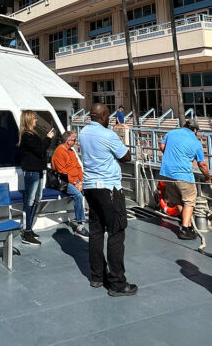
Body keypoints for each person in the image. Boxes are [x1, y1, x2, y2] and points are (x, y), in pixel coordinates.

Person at [79, 103, 136, 297]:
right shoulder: (108, 135)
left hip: (90, 187)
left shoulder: (83, 132)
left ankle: (97, 276)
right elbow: (126, 156)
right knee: (116, 232)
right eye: (108, 117)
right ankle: (117, 283)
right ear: (103, 117)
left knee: (96, 232)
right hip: (109, 188)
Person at [158, 118, 210, 241]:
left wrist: (169, 155)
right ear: (195, 130)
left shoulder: (172, 133)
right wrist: (208, 178)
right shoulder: (196, 142)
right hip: (183, 176)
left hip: (166, 173)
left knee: (177, 201)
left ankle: (187, 225)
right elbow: (202, 164)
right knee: (189, 201)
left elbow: (162, 145)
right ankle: (185, 229)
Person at [17, 110, 55, 246]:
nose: (36, 120)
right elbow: (40, 149)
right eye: (34, 118)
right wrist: (49, 137)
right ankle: (26, 232)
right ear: (28, 120)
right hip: (32, 171)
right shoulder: (27, 135)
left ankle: (29, 229)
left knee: (37, 200)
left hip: (38, 171)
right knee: (30, 200)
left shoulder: (31, 134)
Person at [51, 129, 88, 239]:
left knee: (92, 191)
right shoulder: (59, 152)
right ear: (68, 141)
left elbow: (78, 167)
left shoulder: (71, 151)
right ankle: (80, 226)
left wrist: (81, 181)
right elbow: (63, 173)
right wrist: (76, 183)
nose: (75, 142)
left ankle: (97, 220)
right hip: (64, 182)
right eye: (74, 140)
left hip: (76, 181)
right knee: (78, 195)